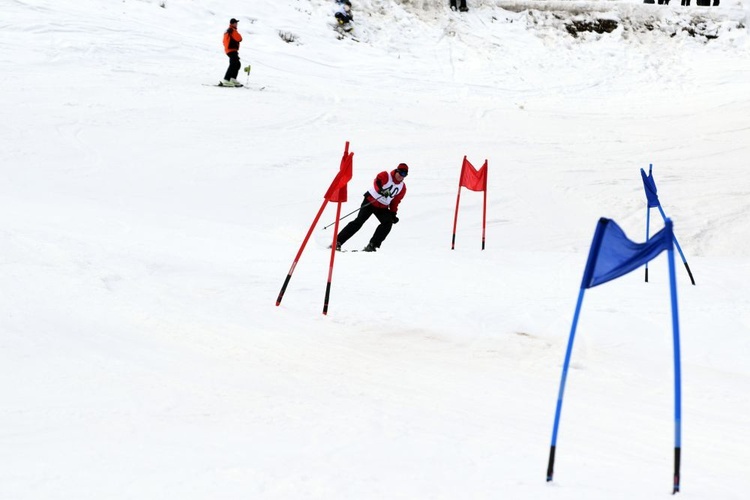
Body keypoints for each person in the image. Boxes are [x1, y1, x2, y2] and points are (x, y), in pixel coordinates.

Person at [335, 163, 408, 252]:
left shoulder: (402, 188)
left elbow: (395, 201)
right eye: (401, 173)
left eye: (404, 174)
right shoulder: (386, 175)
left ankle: (372, 245)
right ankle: (337, 241)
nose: (401, 176)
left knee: (388, 223)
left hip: (382, 207)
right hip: (370, 201)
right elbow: (377, 182)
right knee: (359, 221)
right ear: (397, 171)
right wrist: (380, 190)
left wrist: (393, 213)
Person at [222, 18, 243, 87]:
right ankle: (226, 79)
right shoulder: (232, 30)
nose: (237, 24)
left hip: (230, 49)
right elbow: (239, 38)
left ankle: (232, 79)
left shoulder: (228, 30)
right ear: (232, 23)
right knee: (233, 64)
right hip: (231, 49)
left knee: (237, 64)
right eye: (235, 23)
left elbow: (224, 41)